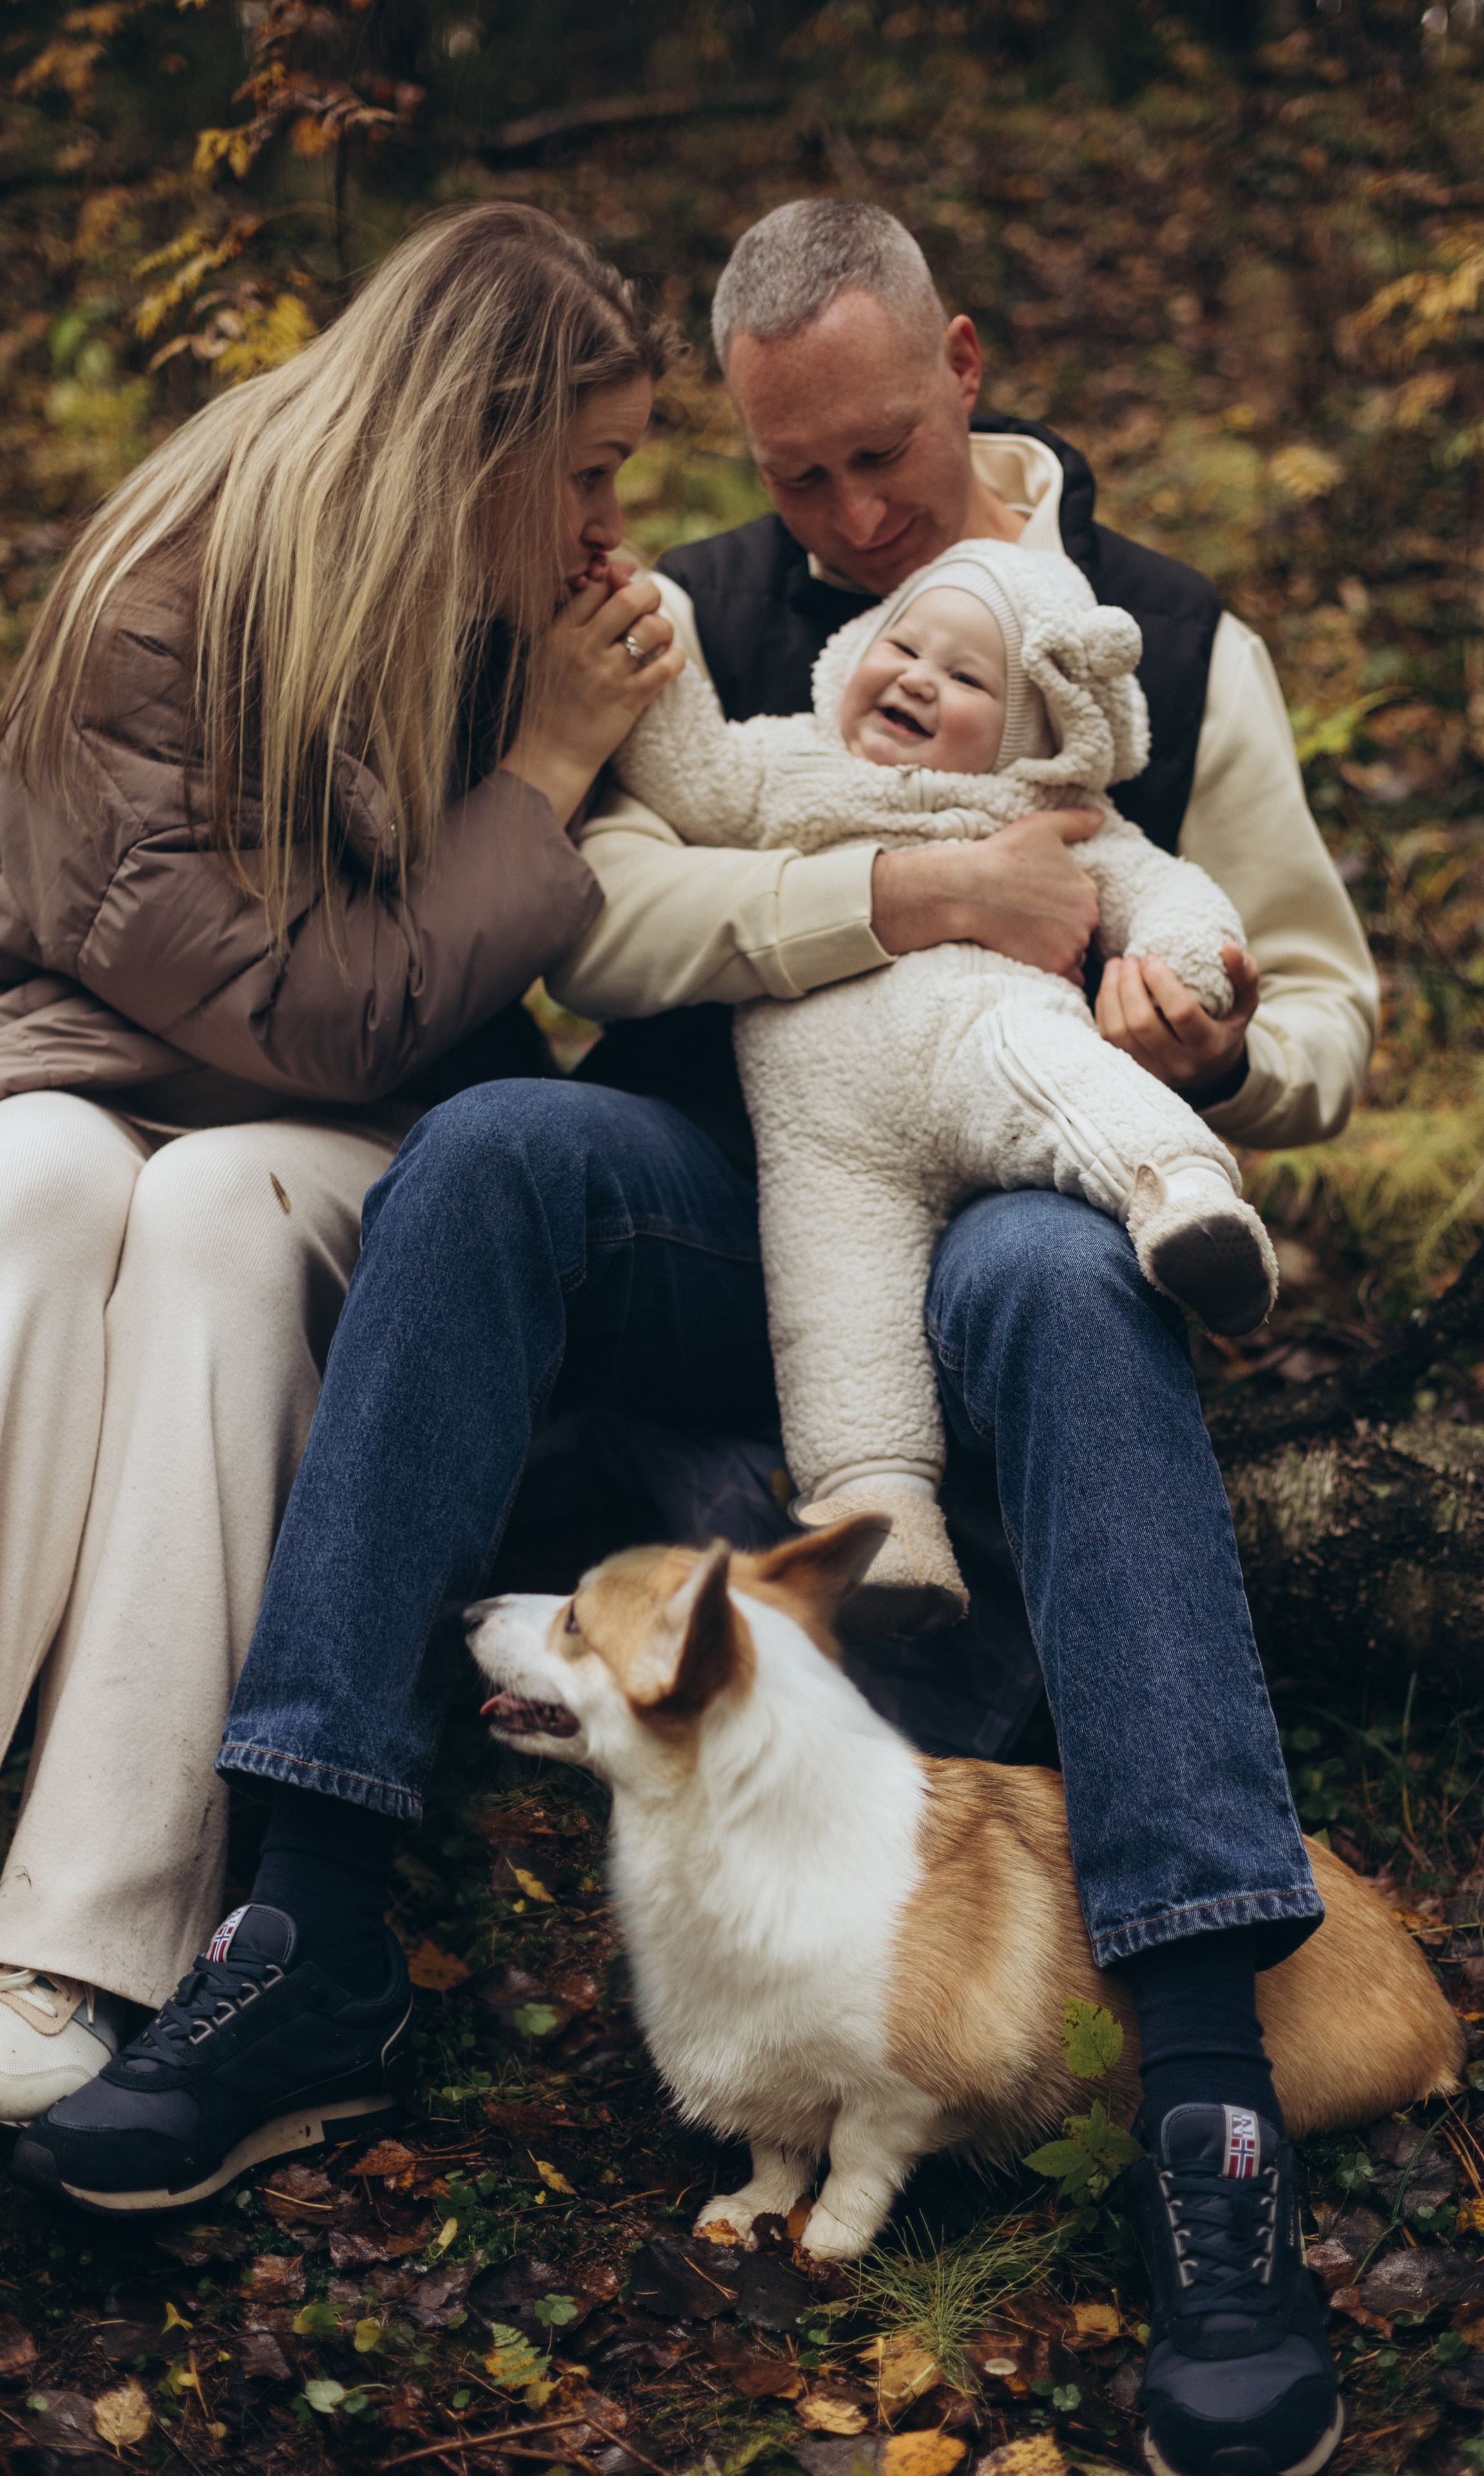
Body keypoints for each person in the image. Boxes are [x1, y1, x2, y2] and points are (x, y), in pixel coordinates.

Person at [19, 202, 1376, 2476]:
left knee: (1060, 1277)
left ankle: (1209, 2075)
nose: (841, 520)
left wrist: (1217, 1044)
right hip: (718, 1195)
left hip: (1014, 1199)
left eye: (878, 459)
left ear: (961, 363)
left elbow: (1325, 1001)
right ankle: (312, 1917)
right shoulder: (684, 621)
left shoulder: (1171, 640)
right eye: (792, 479)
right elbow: (610, 910)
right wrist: (920, 887)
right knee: (492, 1153)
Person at [0, 202, 681, 2122]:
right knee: (39, 1185)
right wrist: (543, 767)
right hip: (131, 1064)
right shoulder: (173, 593)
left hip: (321, 1130)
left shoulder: (487, 602)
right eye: (587, 476)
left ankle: (85, 1939)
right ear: (470, 442)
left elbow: (360, 1053)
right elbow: (313, 1011)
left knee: (216, 1215)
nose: (603, 530)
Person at [611, 532, 1276, 1629]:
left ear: (1028, 728)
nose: (919, 675)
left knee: (1071, 1088)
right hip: (826, 1130)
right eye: (905, 643)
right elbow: (693, 771)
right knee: (833, 1307)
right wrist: (645, 625)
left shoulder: (1043, 811)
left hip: (988, 1046)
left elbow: (1161, 889)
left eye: (968, 677)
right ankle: (874, 1522)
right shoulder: (791, 760)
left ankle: (1187, 1201)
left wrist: (1188, 971)